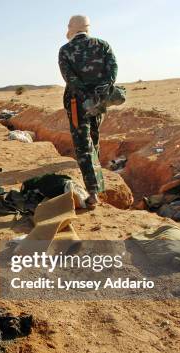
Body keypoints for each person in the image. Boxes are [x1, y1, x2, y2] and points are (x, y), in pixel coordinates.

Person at [58, 15, 117, 210]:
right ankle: (97, 176)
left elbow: (69, 78)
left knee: (83, 144)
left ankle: (93, 192)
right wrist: (99, 93)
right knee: (94, 136)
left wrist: (85, 95)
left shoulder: (65, 50)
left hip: (77, 103)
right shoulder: (103, 45)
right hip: (99, 102)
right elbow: (112, 70)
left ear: (71, 29)